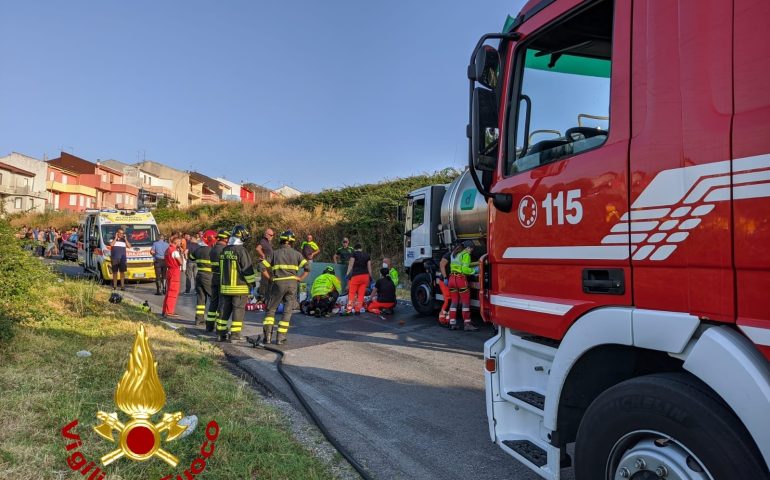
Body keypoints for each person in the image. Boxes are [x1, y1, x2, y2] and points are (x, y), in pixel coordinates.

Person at [261, 230, 309, 344]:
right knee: (287, 311)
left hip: (277, 284)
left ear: (281, 241)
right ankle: (280, 338)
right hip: (292, 285)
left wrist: (270, 278)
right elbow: (307, 268)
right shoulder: (297, 254)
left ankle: (267, 337)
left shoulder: (274, 253)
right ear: (292, 242)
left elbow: (261, 267)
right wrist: (300, 278)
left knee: (271, 309)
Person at [217, 225, 257, 342]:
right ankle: (235, 334)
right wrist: (252, 284)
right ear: (242, 237)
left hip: (225, 288)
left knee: (224, 311)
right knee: (238, 310)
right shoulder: (241, 251)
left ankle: (220, 333)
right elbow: (247, 270)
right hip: (239, 288)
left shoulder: (224, 250)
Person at [448, 241, 479, 331]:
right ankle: (467, 324)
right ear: (468, 248)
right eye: (471, 249)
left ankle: (452, 323)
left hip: (452, 279)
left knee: (454, 302)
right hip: (460, 280)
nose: (471, 251)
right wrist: (475, 271)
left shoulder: (455, 254)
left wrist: (476, 263)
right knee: (465, 303)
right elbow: (465, 269)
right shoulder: (466, 255)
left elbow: (462, 265)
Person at [191, 230, 216, 325]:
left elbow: (191, 257)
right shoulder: (211, 250)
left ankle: (199, 319)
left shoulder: (198, 249)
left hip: (199, 275)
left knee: (201, 298)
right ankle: (212, 320)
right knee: (214, 299)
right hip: (209, 276)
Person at [207, 229, 230, 332]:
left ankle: (209, 325)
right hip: (222, 278)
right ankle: (220, 327)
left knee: (213, 302)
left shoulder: (213, 249)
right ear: (225, 238)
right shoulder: (224, 250)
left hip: (214, 277)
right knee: (222, 303)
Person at [345, 243, 372, 315]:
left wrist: (347, 274)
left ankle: (349, 310)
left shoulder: (354, 254)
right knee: (361, 294)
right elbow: (369, 267)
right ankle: (357, 310)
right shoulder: (367, 255)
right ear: (361, 248)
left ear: (354, 249)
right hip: (365, 276)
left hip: (356, 276)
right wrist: (370, 276)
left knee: (352, 293)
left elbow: (351, 264)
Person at [162, 235, 184, 318]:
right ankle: (169, 311)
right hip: (175, 271)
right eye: (180, 242)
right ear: (176, 242)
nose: (180, 243)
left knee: (168, 292)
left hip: (169, 270)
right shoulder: (175, 251)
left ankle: (165, 310)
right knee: (173, 292)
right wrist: (181, 253)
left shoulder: (168, 250)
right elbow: (181, 262)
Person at [255, 228, 274, 301]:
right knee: (265, 280)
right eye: (271, 235)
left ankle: (266, 296)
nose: (272, 237)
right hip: (265, 264)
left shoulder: (267, 242)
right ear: (266, 234)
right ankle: (262, 296)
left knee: (268, 280)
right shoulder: (263, 241)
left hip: (268, 264)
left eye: (273, 235)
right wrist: (263, 255)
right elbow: (258, 248)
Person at [436, 250, 452, 325]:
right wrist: (445, 277)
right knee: (448, 300)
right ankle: (442, 319)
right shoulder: (448, 254)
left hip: (450, 281)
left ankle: (448, 319)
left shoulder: (457, 256)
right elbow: (442, 264)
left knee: (451, 301)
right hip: (444, 281)